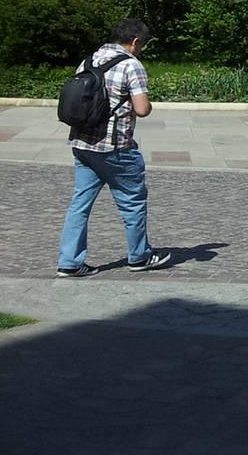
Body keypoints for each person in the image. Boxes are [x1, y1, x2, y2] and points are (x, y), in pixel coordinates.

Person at [56, 18, 171, 277]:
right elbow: (142, 109)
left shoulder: (88, 61)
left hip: (83, 143)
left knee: (80, 203)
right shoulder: (131, 65)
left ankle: (69, 262)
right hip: (115, 146)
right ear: (135, 42)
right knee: (132, 200)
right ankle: (139, 256)